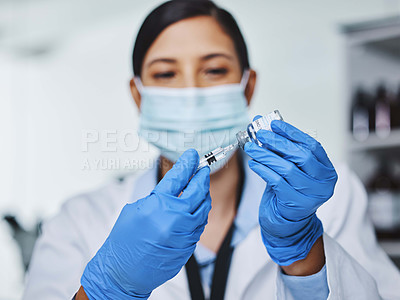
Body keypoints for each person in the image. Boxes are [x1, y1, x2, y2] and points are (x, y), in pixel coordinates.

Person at [23, 1, 400, 299]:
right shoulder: (79, 223)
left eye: (215, 71)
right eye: (166, 74)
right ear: (138, 94)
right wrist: (107, 291)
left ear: (247, 87)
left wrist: (303, 253)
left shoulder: (327, 202)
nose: (191, 94)